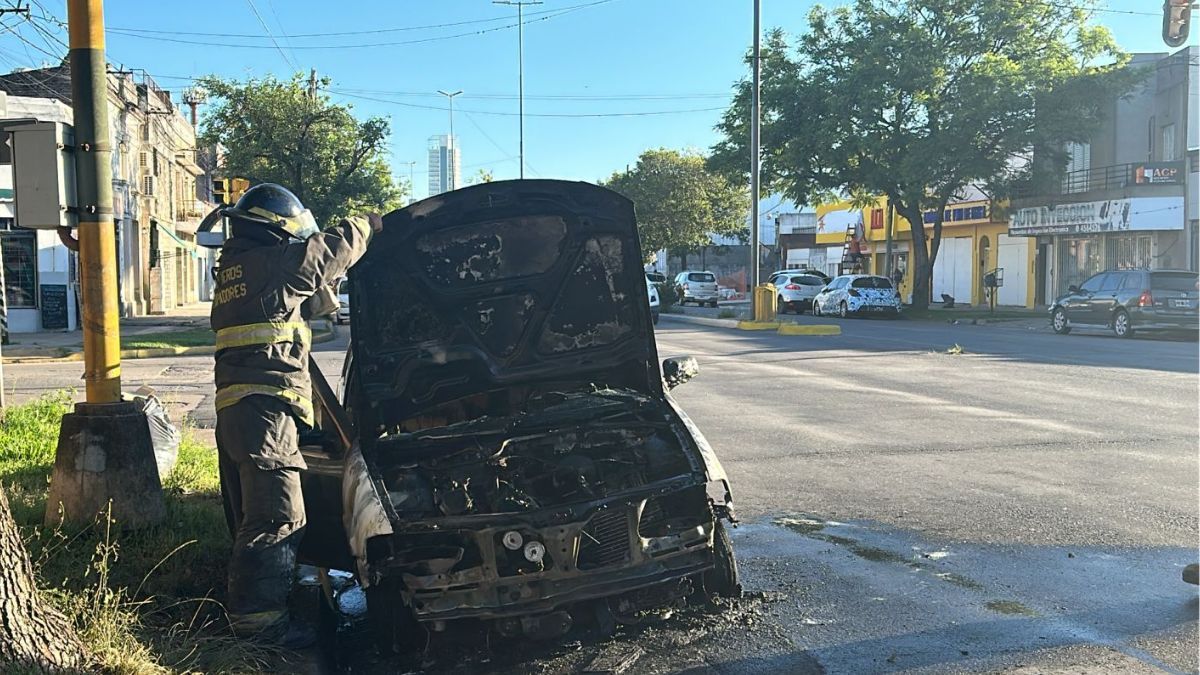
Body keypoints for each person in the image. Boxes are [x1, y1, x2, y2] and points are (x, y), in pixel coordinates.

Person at [209, 183, 381, 648]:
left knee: (255, 513)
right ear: (278, 233)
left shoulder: (237, 269)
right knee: (276, 516)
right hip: (261, 412)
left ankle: (259, 615)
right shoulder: (274, 265)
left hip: (247, 410)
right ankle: (261, 631)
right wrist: (371, 223)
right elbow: (328, 252)